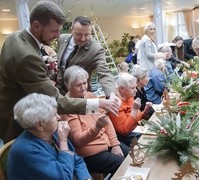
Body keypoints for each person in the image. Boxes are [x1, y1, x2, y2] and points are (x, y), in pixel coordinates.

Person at [0, 1, 119, 143]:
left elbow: (104, 71)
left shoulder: (15, 37)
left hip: (20, 105)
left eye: (59, 31)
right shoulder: (28, 56)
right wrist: (98, 104)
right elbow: (55, 101)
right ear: (36, 26)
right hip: (23, 118)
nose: (58, 36)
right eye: (54, 31)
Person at [60, 66, 129, 176]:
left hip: (107, 142)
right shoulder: (68, 107)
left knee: (131, 156)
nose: (83, 87)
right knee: (123, 166)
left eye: (84, 83)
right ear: (68, 86)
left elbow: (106, 121)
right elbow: (78, 140)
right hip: (91, 153)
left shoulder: (89, 95)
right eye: (79, 85)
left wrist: (115, 143)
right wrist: (96, 127)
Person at [7, 93, 91, 180]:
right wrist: (63, 142)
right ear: (40, 125)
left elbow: (76, 160)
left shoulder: (52, 133)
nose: (59, 117)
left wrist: (86, 178)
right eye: (54, 115)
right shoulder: (26, 150)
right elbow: (63, 178)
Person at [56, 16, 119, 103]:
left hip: (80, 97)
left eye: (87, 35)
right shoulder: (62, 39)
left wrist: (111, 94)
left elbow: (104, 72)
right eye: (79, 34)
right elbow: (60, 66)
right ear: (72, 30)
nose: (83, 39)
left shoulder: (96, 49)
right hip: (59, 92)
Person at [109, 73, 153, 146]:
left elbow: (138, 118)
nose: (136, 90)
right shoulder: (116, 104)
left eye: (135, 87)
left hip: (138, 129)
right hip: (127, 137)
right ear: (122, 89)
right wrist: (134, 110)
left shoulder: (130, 97)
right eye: (132, 88)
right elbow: (124, 131)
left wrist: (146, 111)